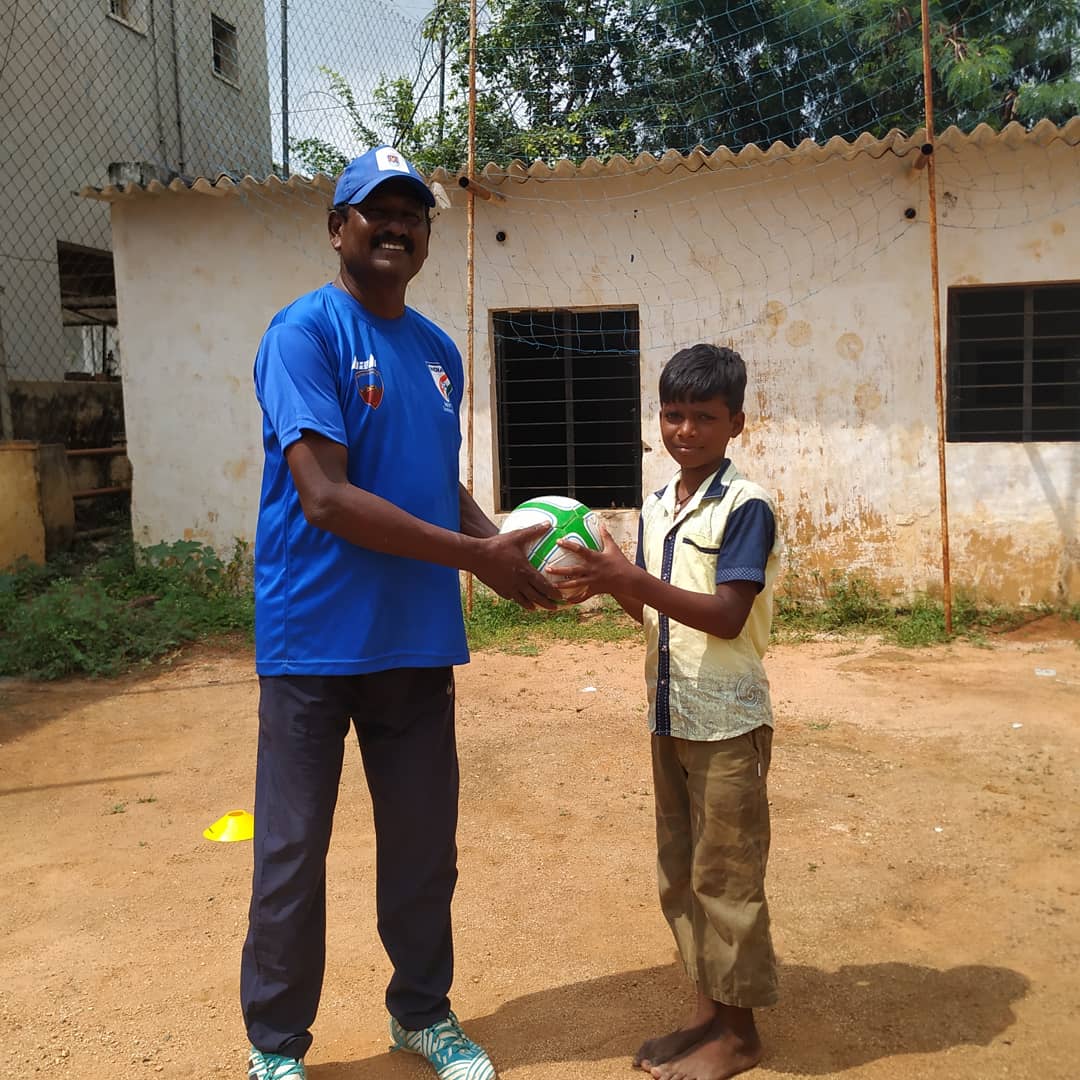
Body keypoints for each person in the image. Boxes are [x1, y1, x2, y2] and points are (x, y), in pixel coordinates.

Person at [242, 145, 559, 1080]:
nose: (396, 226)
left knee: (423, 849)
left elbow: (429, 481)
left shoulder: (438, 353)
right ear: (336, 228)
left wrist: (503, 548)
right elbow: (326, 498)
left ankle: (422, 1014)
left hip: (416, 641)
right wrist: (475, 559)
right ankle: (275, 1047)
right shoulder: (303, 334)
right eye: (375, 211)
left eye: (412, 214)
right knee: (292, 853)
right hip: (313, 641)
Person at [551, 344, 781, 1080]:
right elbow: (652, 610)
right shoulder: (658, 506)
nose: (686, 430)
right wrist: (605, 580)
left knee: (727, 875)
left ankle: (740, 1035)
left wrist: (627, 576)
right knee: (680, 871)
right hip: (669, 714)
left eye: (704, 417)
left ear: (736, 422)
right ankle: (708, 1012)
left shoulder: (746, 507)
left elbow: (725, 614)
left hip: (727, 721)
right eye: (673, 414)